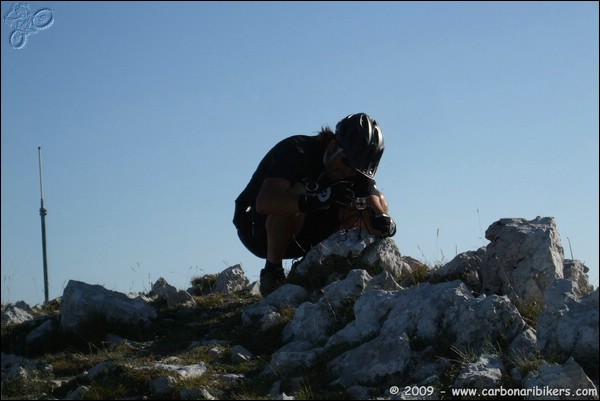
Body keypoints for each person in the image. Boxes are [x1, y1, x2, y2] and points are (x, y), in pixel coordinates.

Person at [233, 113, 396, 296]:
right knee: (299, 190)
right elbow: (264, 202)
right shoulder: (296, 150)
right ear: (333, 145)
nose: (348, 172)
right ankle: (273, 274)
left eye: (356, 170)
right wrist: (317, 199)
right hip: (257, 229)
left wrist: (385, 221)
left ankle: (326, 266)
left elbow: (373, 199)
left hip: (305, 230)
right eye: (347, 163)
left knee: (376, 202)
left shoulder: (352, 170)